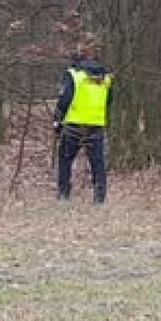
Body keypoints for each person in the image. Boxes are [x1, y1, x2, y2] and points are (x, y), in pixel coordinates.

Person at [54, 43, 113, 204]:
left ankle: (63, 195)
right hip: (96, 124)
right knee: (97, 163)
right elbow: (109, 101)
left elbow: (64, 100)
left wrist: (57, 121)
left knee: (65, 160)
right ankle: (99, 198)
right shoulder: (106, 77)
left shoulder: (73, 75)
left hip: (74, 124)